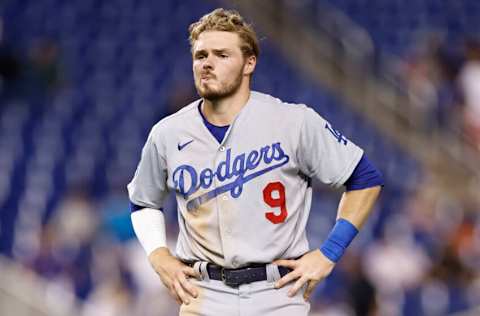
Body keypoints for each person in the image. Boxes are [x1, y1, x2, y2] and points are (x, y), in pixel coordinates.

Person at [127, 8, 383, 316]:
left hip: (276, 294)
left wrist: (329, 252)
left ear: (250, 63)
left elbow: (365, 179)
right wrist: (158, 255)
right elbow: (143, 202)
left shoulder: (293, 121)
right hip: (203, 293)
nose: (207, 63)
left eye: (222, 54)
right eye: (200, 55)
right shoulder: (168, 133)